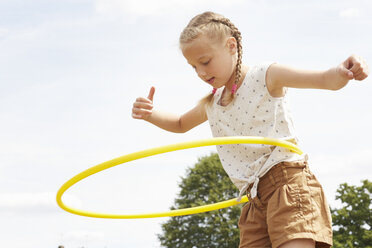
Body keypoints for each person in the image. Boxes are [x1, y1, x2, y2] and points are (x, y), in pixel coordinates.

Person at [131, 11, 368, 248]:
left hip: (288, 186)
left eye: (205, 61)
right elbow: (181, 124)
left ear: (231, 46)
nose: (201, 72)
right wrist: (151, 114)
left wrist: (343, 72)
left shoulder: (265, 76)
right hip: (254, 202)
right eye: (193, 67)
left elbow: (324, 80)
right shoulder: (213, 103)